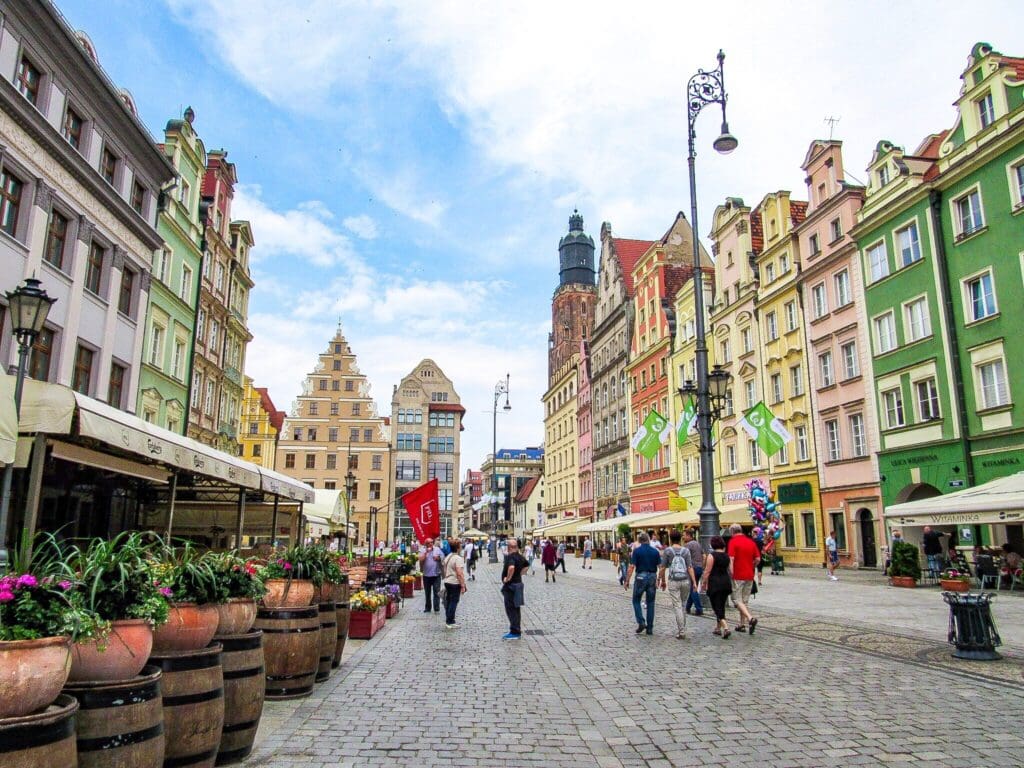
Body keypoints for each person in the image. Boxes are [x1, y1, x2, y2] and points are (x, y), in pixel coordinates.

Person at [659, 530, 696, 639]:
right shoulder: (686, 551)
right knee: (683, 604)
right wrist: (694, 582)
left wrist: (661, 580)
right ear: (680, 539)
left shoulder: (668, 551)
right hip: (685, 580)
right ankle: (682, 629)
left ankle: (681, 631)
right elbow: (690, 567)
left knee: (677, 605)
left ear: (670, 538)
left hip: (673, 581)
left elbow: (662, 568)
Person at [623, 532, 660, 635]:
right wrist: (660, 579)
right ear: (648, 539)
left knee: (636, 600)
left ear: (639, 541)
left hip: (640, 577)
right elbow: (660, 567)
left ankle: (641, 622)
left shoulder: (637, 551)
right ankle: (650, 628)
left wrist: (627, 580)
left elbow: (631, 567)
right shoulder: (655, 551)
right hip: (652, 576)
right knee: (651, 603)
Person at [726, 524, 760, 635]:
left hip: (738, 574)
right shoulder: (751, 542)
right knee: (744, 601)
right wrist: (752, 566)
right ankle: (742, 624)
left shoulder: (733, 542)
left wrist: (731, 572)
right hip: (749, 575)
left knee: (736, 599)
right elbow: (758, 559)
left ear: (732, 532)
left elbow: (731, 558)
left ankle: (750, 618)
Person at [699, 536, 733, 639]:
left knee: (716, 607)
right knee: (721, 605)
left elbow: (707, 571)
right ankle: (718, 628)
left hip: (715, 584)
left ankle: (726, 628)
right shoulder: (727, 556)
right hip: (726, 583)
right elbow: (731, 572)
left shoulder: (712, 556)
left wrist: (704, 583)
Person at [500, 539, 529, 639]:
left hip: (511, 585)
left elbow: (511, 567)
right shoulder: (520, 557)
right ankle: (516, 629)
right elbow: (527, 565)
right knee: (516, 608)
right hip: (518, 584)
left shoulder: (510, 557)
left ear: (509, 547)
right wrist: (520, 573)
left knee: (510, 608)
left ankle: (514, 631)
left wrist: (507, 579)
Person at [441, 538, 468, 628]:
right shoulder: (458, 558)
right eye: (460, 546)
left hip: (447, 581)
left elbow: (444, 568)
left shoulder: (448, 556)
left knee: (448, 601)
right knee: (454, 601)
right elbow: (459, 573)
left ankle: (448, 620)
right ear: (458, 548)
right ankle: (450, 621)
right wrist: (463, 585)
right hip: (454, 583)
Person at [418, 537, 444, 613]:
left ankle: (436, 608)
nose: (430, 544)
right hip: (426, 575)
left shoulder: (437, 549)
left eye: (431, 542)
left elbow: (443, 558)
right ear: (425, 544)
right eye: (428, 543)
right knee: (427, 592)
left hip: (436, 574)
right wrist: (426, 552)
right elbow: (420, 559)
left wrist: (438, 558)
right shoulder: (422, 550)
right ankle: (428, 607)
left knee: (436, 592)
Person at [682, 529, 704, 616]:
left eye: (684, 535)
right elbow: (704, 555)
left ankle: (699, 608)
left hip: (692, 568)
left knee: (693, 589)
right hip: (699, 568)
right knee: (693, 587)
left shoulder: (688, 545)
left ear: (688, 536)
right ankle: (687, 607)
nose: (683, 537)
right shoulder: (698, 543)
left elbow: (683, 557)